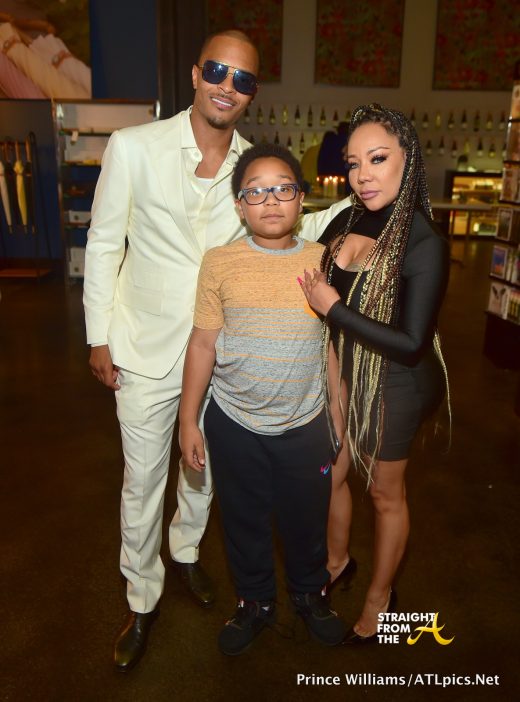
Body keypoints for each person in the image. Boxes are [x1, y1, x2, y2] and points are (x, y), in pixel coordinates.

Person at [83, 31, 351, 672]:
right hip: (144, 347)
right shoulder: (134, 146)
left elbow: (291, 222)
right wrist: (97, 335)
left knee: (203, 474)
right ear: (196, 74)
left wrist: (372, 199)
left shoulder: (252, 169)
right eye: (217, 71)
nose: (228, 86)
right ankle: (141, 599)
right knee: (143, 481)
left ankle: (185, 555)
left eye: (244, 79)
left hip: (223, 355)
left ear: (253, 93)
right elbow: (103, 242)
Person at [179, 143, 347, 656]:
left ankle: (309, 594)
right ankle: (254, 602)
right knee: (243, 520)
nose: (270, 200)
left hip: (305, 423)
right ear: (239, 206)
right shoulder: (220, 263)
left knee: (306, 518)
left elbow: (331, 344)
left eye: (283, 189)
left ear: (302, 198)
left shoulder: (322, 260)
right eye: (256, 191)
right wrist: (188, 420)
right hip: (234, 423)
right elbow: (203, 343)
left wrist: (338, 412)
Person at [300, 103, 450, 643]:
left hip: (395, 382)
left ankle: (379, 597)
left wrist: (334, 308)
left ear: (407, 159)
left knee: (385, 495)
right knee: (332, 474)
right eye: (353, 162)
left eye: (378, 159)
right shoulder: (346, 219)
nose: (363, 175)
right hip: (342, 369)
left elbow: (411, 344)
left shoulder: (423, 241)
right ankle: (337, 561)